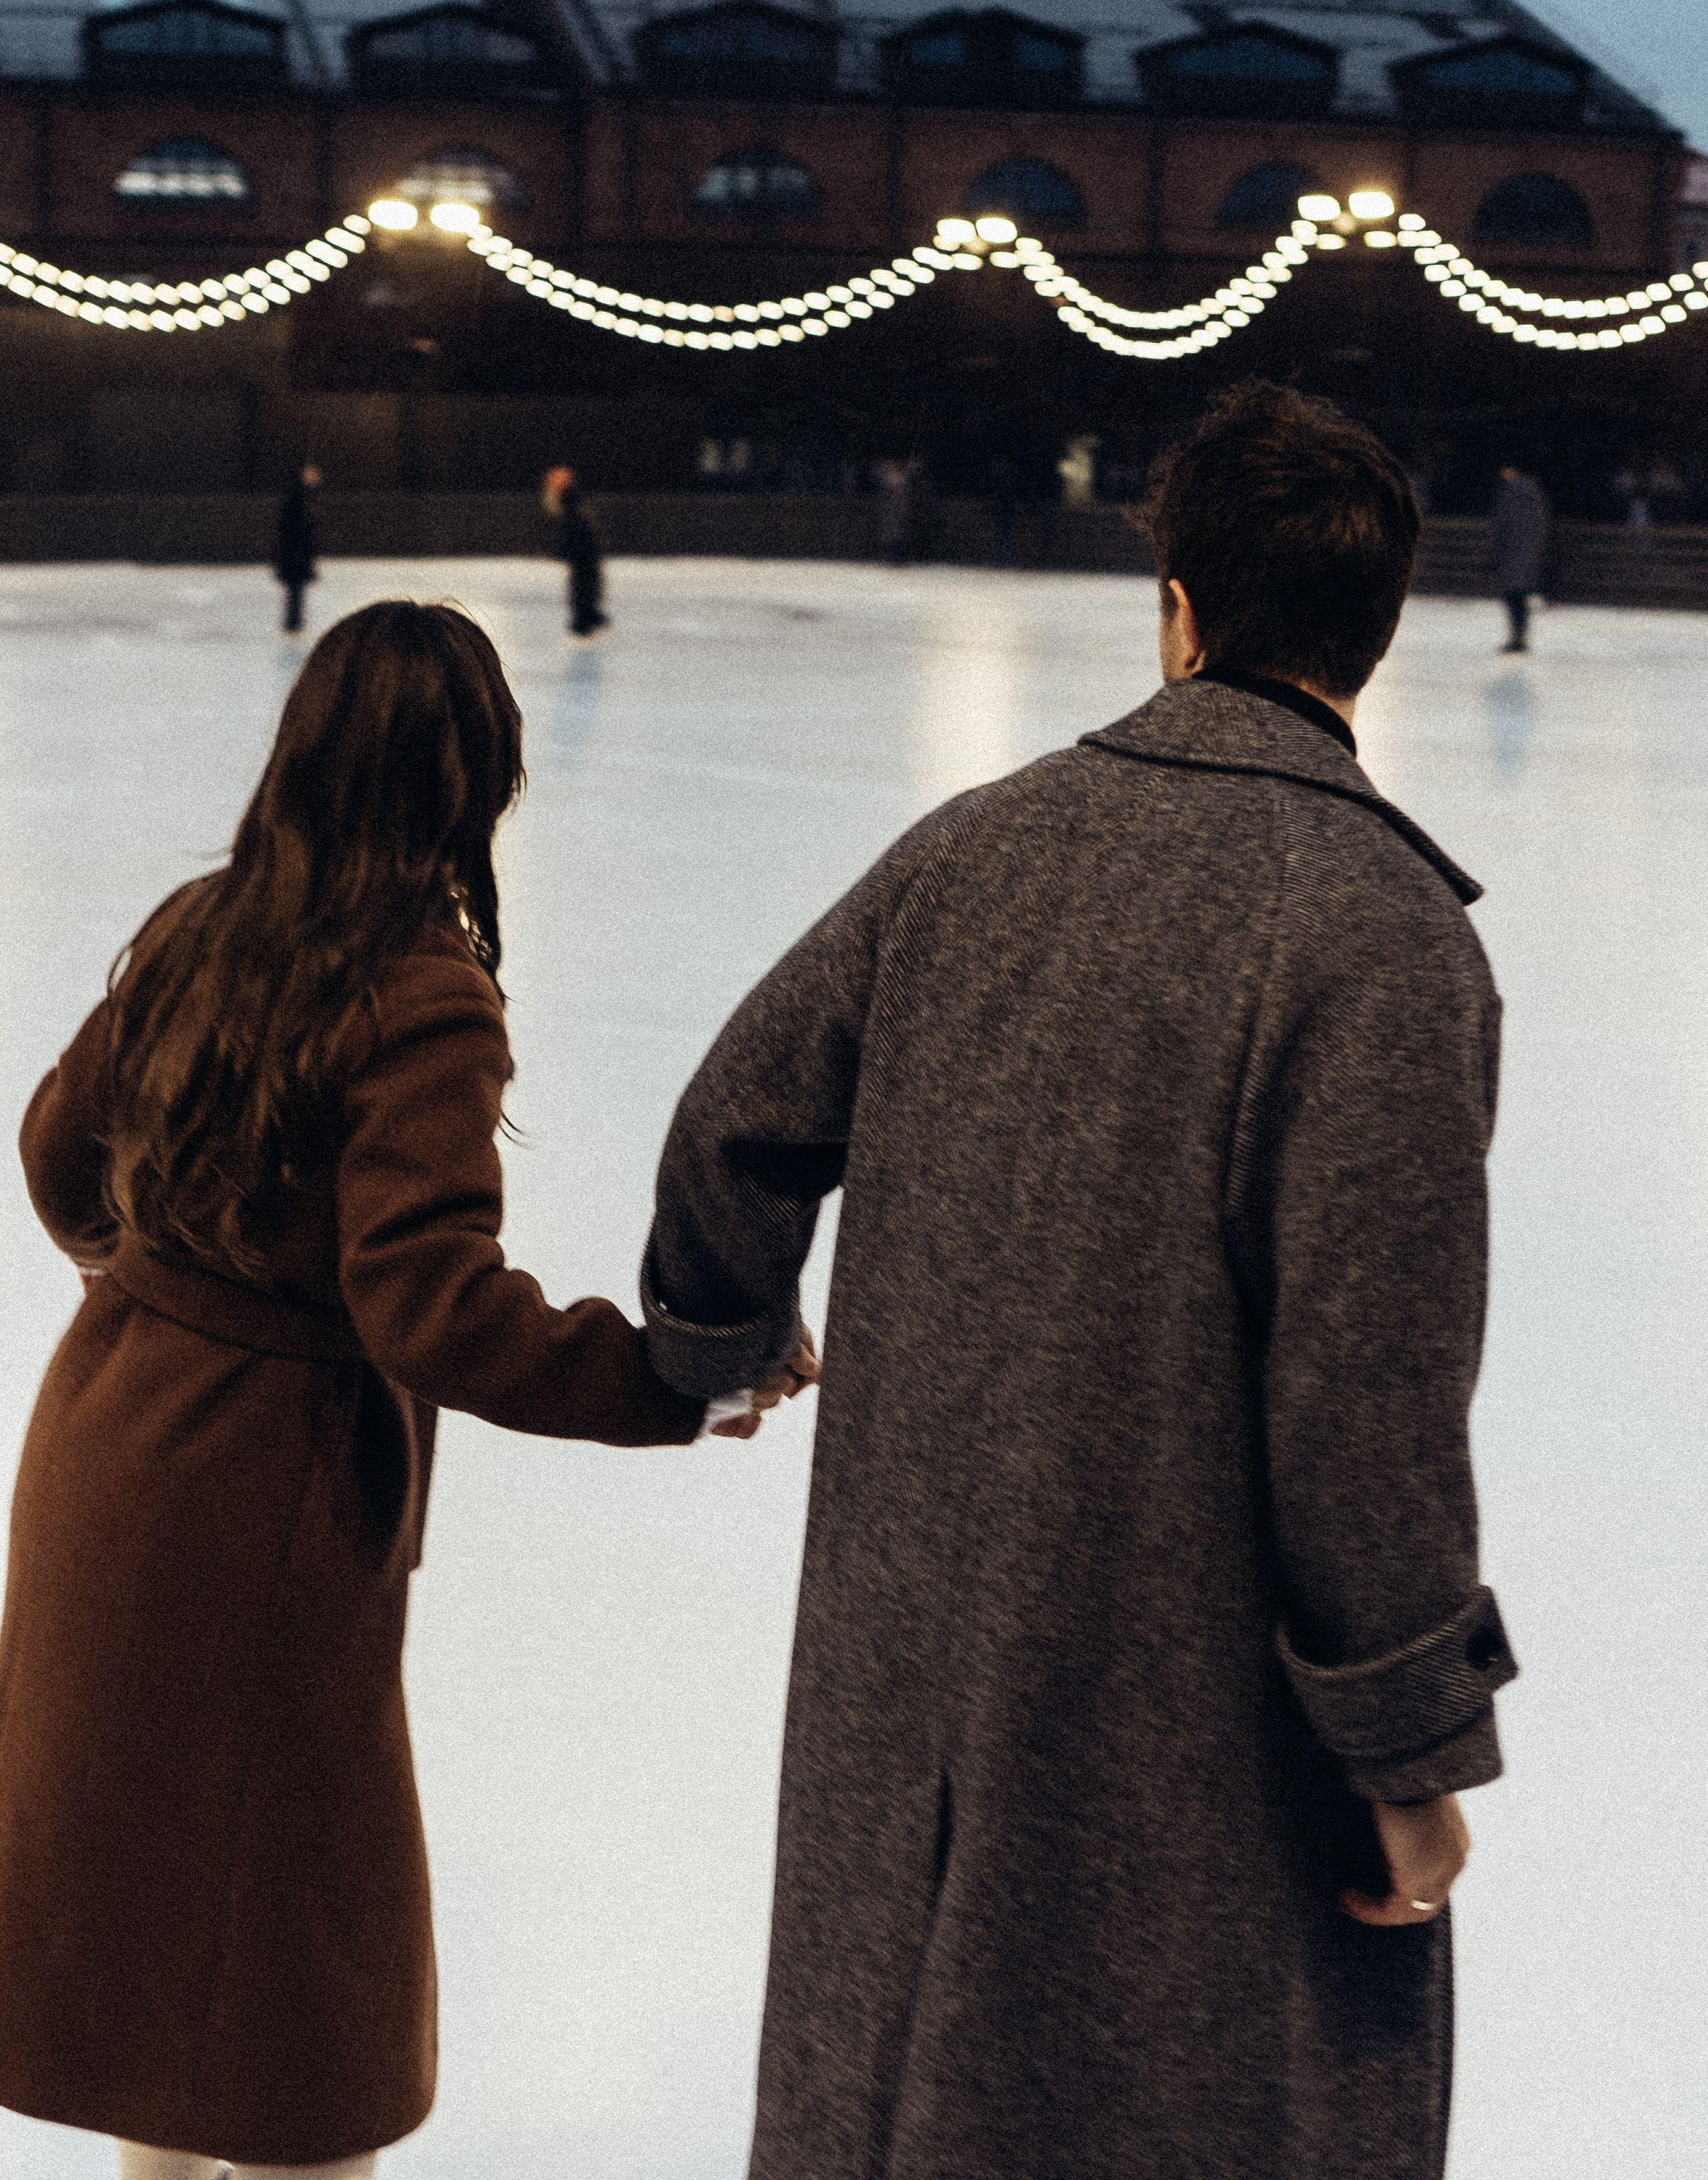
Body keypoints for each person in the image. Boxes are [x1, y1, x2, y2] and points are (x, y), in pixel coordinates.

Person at [640, 380, 1517, 2180]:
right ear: (1380, 624)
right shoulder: (1382, 936)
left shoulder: (970, 849)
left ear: (1178, 609)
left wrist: (721, 1337)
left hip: (916, 1677)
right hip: (1183, 1734)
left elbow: (734, 1119)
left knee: (905, 2074)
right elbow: (1364, 1411)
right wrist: (1408, 1754)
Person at [0, 602, 811, 2180]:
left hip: (103, 1445)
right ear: (475, 786)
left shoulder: (200, 923)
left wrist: (164, 1290)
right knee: (305, 1992)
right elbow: (430, 1305)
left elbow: (54, 1147)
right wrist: (675, 1384)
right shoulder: (421, 989)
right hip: (257, 1513)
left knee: (166, 1935)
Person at [542, 462, 608, 636]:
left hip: (583, 552)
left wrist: (562, 549)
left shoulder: (570, 506)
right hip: (585, 552)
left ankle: (585, 620)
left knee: (583, 584)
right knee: (586, 582)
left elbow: (572, 530)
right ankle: (590, 616)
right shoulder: (573, 505)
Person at [1491, 460, 1551, 651]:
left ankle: (1518, 637)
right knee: (1519, 596)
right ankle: (1519, 635)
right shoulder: (1534, 494)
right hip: (1525, 552)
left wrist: (1500, 548)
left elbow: (1503, 524)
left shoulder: (1512, 494)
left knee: (1514, 596)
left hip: (1513, 552)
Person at [274, 460, 322, 634]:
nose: (317, 477)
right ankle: (293, 623)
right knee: (295, 589)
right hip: (296, 553)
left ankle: (294, 622)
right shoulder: (298, 499)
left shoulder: (302, 497)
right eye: (312, 473)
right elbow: (295, 528)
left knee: (297, 590)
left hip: (297, 553)